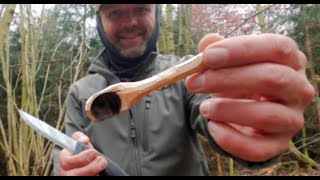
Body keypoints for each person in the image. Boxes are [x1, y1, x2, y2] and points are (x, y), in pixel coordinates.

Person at [52, 4, 315, 176]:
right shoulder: (80, 93)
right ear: (99, 20)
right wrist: (65, 169)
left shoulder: (187, 77)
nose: (130, 21)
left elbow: (213, 111)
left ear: (155, 12)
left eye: (141, 8)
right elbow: (62, 156)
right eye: (115, 12)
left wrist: (251, 124)